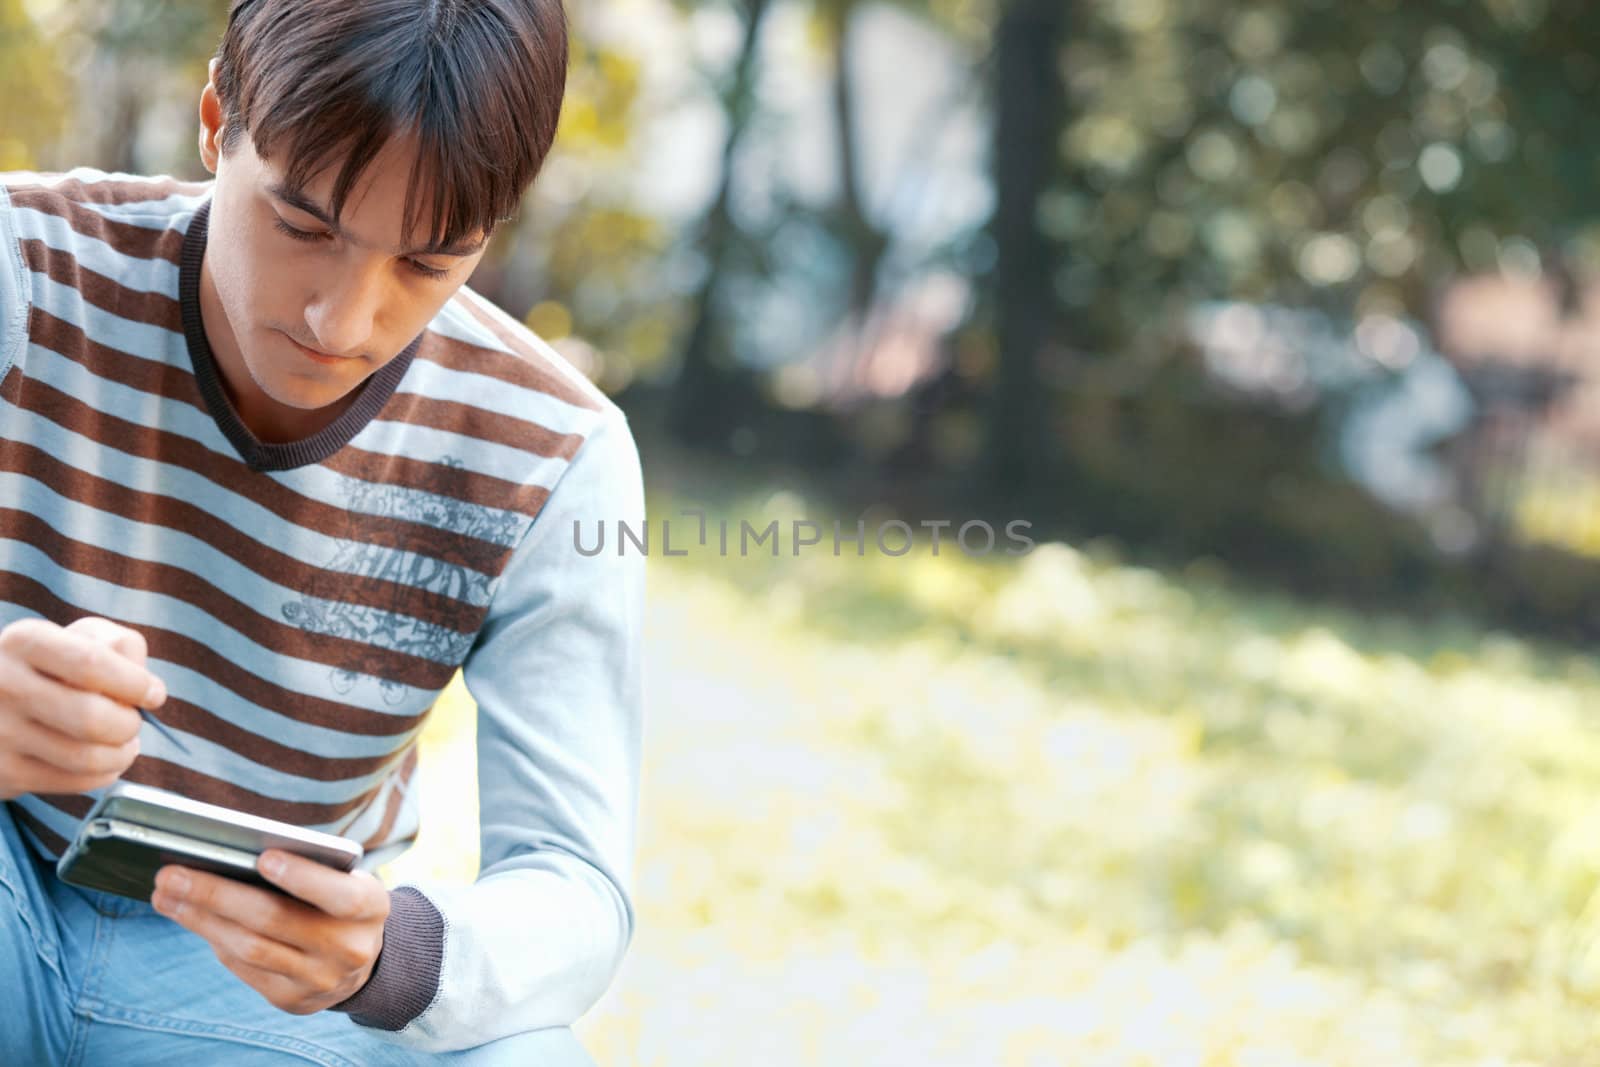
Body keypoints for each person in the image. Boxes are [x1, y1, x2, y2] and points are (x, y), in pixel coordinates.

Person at [0, 0, 646, 1063]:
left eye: (427, 264)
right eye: (304, 226)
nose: (341, 322)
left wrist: (389, 953)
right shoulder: (27, 271)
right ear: (217, 121)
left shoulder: (556, 454)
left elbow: (576, 884)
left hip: (261, 989)